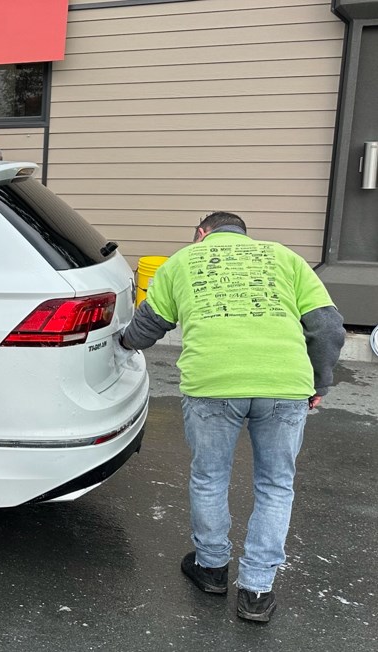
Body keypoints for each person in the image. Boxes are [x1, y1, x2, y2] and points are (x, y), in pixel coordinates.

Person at [120, 211, 345, 623]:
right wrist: (319, 384)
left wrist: (123, 342)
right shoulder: (284, 257)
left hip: (212, 383)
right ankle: (256, 593)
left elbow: (149, 325)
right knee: (276, 485)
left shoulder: (183, 261)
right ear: (243, 234)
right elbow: (328, 327)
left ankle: (211, 570)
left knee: (210, 476)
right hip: (284, 384)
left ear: (202, 233)